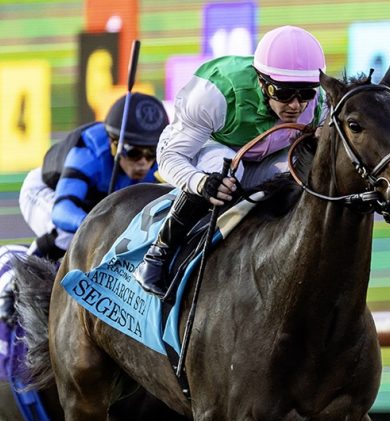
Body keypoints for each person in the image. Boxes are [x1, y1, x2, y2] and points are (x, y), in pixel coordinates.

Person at [133, 25, 327, 296]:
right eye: (283, 93)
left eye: (305, 93)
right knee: (225, 172)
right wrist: (201, 183)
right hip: (215, 148)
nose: (295, 105)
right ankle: (158, 255)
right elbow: (169, 157)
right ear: (261, 81)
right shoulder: (215, 94)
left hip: (268, 156)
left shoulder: (320, 104)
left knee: (305, 172)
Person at [0, 92, 170, 321]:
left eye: (151, 154)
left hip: (94, 203)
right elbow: (62, 211)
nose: (143, 163)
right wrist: (96, 226)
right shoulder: (89, 152)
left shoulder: (152, 168)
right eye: (134, 153)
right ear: (114, 144)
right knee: (73, 234)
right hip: (48, 193)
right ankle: (11, 287)